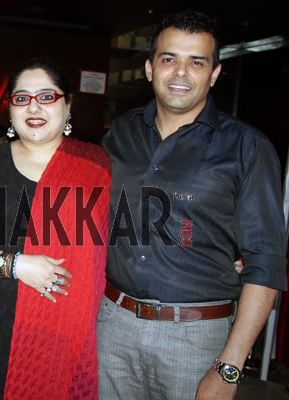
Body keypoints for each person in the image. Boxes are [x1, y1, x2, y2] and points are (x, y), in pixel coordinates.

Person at [98, 10, 287, 400]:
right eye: (169, 59)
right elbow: (72, 192)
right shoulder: (120, 134)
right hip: (111, 327)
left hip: (197, 339)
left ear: (214, 74)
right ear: (150, 68)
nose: (180, 73)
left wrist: (229, 368)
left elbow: (265, 263)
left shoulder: (247, 148)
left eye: (196, 62)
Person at [0, 57, 111, 399]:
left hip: (65, 332)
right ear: (10, 109)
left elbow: (115, 247)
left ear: (68, 105)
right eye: (22, 98)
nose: (34, 106)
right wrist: (17, 264)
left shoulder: (96, 166)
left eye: (47, 96)